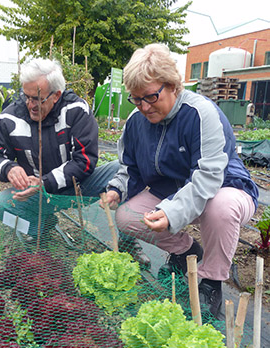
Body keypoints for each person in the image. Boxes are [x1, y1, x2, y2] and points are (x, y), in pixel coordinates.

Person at [101, 43, 259, 319]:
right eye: (136, 99)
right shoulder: (136, 121)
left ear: (172, 85)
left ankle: (211, 281)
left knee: (220, 208)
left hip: (224, 187)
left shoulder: (200, 113)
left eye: (150, 97)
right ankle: (187, 251)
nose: (144, 107)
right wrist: (117, 188)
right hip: (172, 192)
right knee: (127, 216)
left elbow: (208, 176)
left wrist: (171, 211)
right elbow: (130, 168)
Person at [0, 57, 149, 265]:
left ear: (57, 95)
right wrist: (8, 168)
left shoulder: (76, 110)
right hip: (35, 191)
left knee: (123, 171)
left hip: (79, 184)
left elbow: (85, 161)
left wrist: (45, 181)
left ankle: (128, 242)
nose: (30, 105)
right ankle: (39, 228)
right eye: (26, 97)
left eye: (38, 99)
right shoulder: (10, 118)